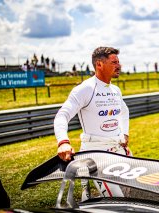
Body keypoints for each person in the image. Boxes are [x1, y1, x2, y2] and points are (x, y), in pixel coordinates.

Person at [54, 46, 130, 201]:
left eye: (118, 62)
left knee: (132, 194)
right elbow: (62, 115)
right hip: (96, 155)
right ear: (99, 64)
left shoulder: (115, 90)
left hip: (118, 150)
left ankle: (87, 197)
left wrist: (124, 134)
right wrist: (63, 142)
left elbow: (124, 111)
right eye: (114, 62)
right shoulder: (84, 89)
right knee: (119, 201)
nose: (119, 65)